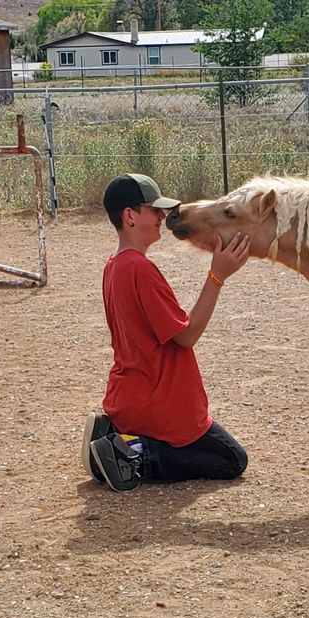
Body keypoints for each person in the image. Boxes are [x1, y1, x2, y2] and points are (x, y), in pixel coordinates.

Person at [81, 173, 251, 492]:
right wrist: (217, 276)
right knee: (232, 460)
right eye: (153, 210)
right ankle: (130, 453)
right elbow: (186, 337)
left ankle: (117, 436)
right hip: (158, 403)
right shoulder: (140, 269)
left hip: (130, 395)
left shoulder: (114, 264)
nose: (162, 217)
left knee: (215, 453)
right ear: (130, 216)